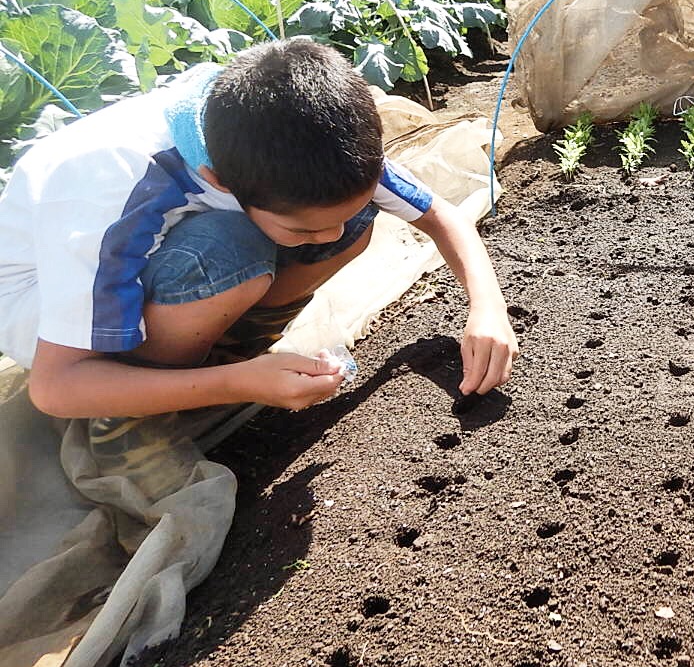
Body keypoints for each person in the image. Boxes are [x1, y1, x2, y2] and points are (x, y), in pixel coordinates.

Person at [0, 39, 518, 434]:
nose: (327, 237)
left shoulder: (303, 141)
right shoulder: (111, 182)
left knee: (354, 224)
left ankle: (221, 355)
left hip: (157, 265)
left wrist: (487, 310)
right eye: (303, 226)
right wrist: (239, 383)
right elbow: (56, 385)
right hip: (48, 311)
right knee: (226, 250)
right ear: (219, 182)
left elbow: (441, 215)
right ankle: (133, 421)